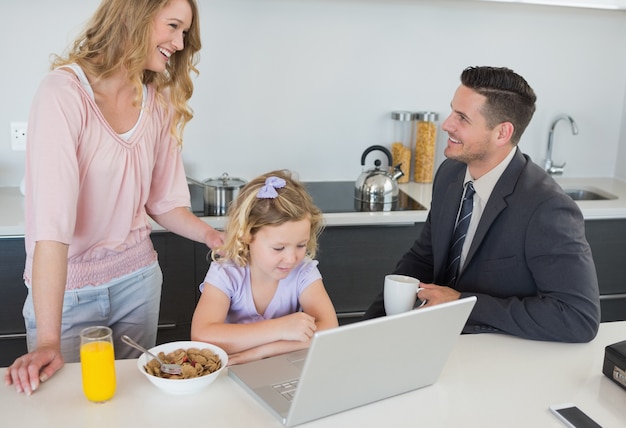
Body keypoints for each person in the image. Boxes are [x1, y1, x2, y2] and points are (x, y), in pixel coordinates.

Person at [5, 0, 222, 395]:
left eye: (184, 33)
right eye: (173, 26)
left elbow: (164, 203)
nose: (178, 42)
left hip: (137, 282)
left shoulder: (157, 101)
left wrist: (212, 236)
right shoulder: (64, 94)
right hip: (67, 292)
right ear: (135, 15)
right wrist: (49, 340)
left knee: (133, 402)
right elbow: (51, 228)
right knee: (66, 406)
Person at [363, 66, 600, 343]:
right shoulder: (450, 173)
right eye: (452, 111)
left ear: (502, 133)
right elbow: (423, 258)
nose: (447, 124)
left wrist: (463, 303)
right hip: (434, 340)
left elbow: (578, 317)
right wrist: (366, 328)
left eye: (462, 118)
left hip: (496, 355)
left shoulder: (547, 208)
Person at [191, 170, 338, 365]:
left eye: (301, 245)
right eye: (279, 248)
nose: (291, 258)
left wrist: (262, 352)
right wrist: (280, 328)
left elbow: (329, 330)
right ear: (246, 236)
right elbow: (202, 336)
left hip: (283, 368)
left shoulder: (304, 272)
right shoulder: (226, 272)